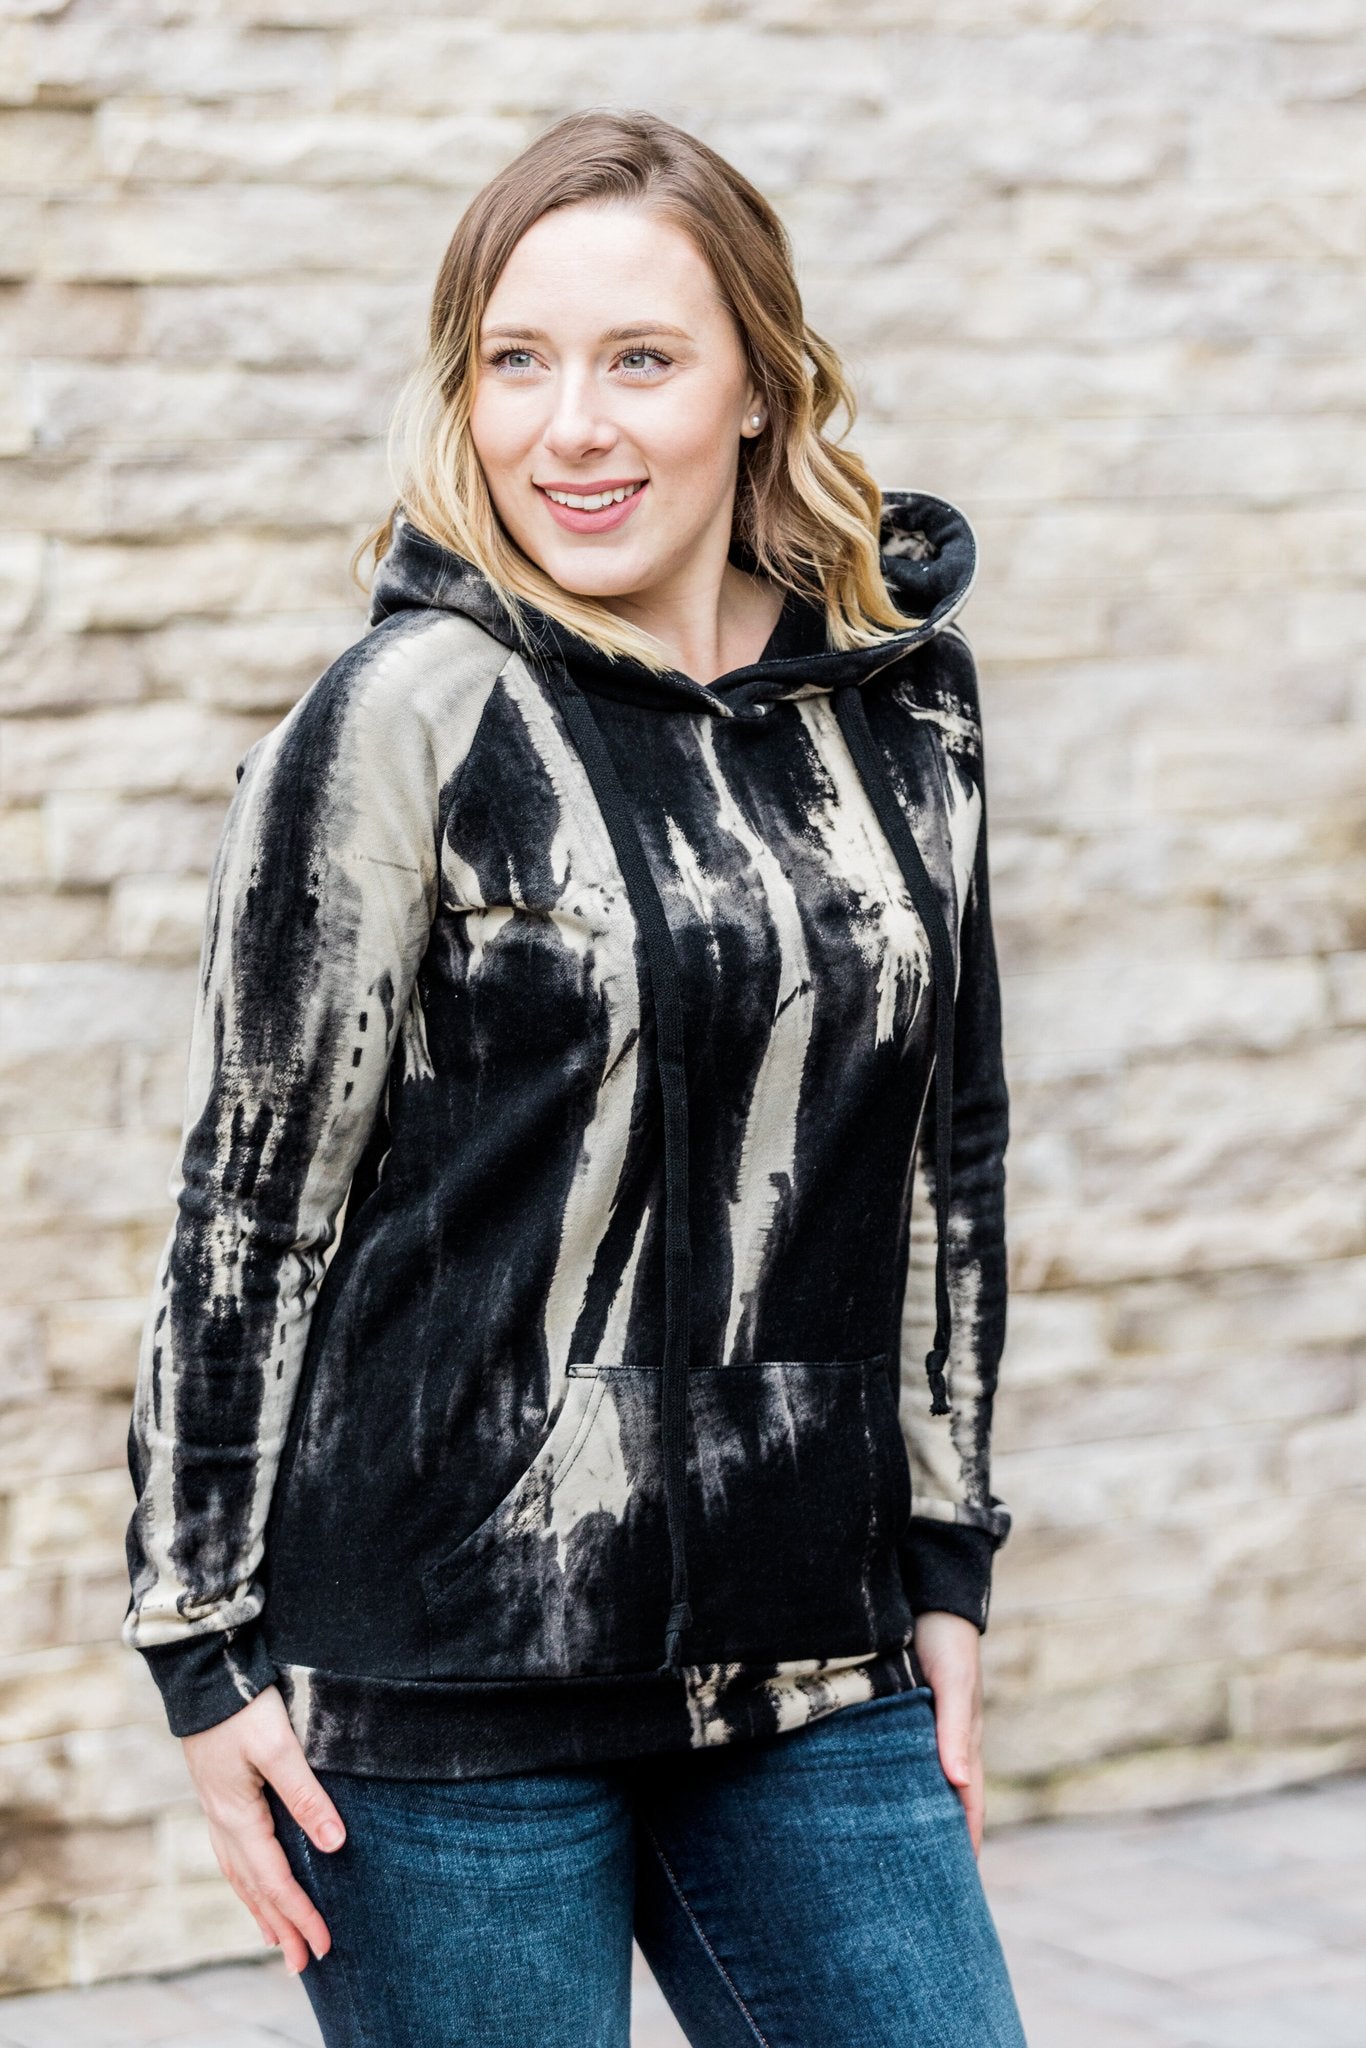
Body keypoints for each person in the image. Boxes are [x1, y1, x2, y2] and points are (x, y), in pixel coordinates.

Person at [121, 107, 1026, 2048]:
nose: (570, 429)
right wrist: (200, 1651)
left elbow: (945, 1155)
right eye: (516, 361)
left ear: (760, 389)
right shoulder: (408, 715)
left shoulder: (899, 704)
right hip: (445, 1685)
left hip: (812, 1660)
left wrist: (943, 1553)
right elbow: (250, 1208)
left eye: (640, 360)